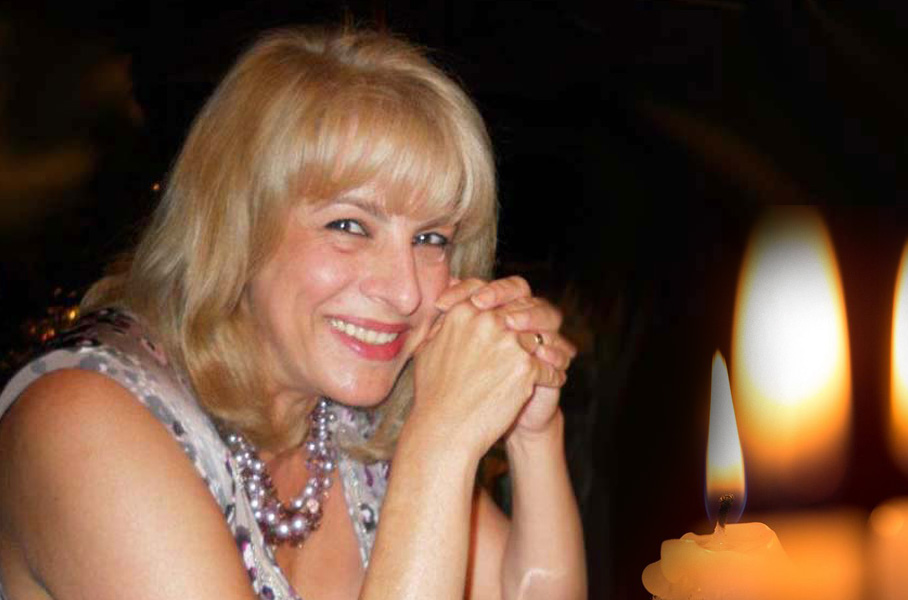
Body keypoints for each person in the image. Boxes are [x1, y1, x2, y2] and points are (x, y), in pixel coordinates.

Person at [0, 26, 586, 600]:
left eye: (431, 238)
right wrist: (441, 444)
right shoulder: (80, 423)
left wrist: (531, 430)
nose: (406, 292)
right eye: (349, 226)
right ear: (236, 226)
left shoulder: (345, 420)